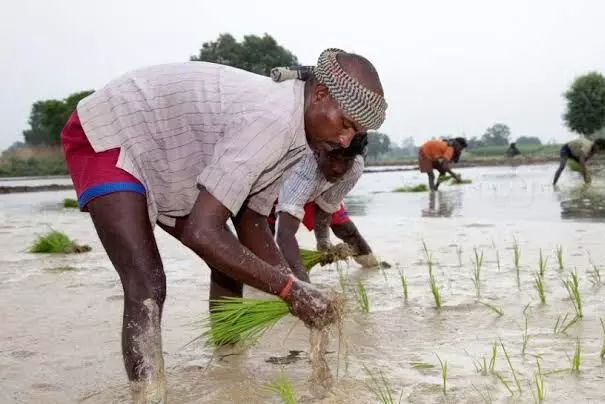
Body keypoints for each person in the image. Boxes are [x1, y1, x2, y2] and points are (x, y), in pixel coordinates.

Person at [59, 48, 387, 403]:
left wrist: (294, 289)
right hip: (117, 130)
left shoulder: (302, 138)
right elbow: (203, 232)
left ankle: (229, 364)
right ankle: (149, 395)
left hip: (177, 161)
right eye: (346, 125)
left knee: (230, 263)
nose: (345, 140)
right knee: (146, 280)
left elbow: (252, 219)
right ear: (320, 94)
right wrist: (291, 291)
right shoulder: (273, 120)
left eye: (354, 134)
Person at [267, 131, 384, 280]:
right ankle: (267, 278)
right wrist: (306, 290)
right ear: (319, 149)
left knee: (347, 231)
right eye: (334, 157)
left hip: (319, 191)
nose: (338, 168)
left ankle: (373, 269)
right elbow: (285, 235)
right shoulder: (304, 170)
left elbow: (327, 205)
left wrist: (323, 242)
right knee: (265, 235)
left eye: (346, 160)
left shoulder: (354, 167)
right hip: (279, 190)